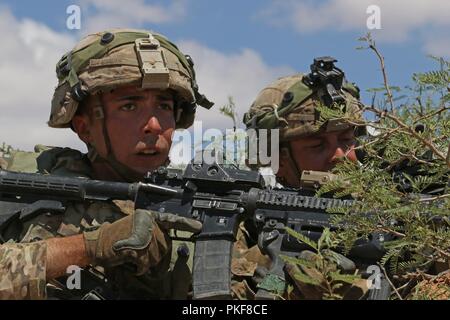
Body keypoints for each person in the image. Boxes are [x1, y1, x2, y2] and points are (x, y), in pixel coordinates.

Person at [0, 28, 212, 300]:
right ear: (84, 126)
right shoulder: (25, 184)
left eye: (164, 107)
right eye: (129, 106)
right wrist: (90, 247)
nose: (154, 125)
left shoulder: (204, 209)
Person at [230, 57, 368, 299]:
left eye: (347, 140)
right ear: (278, 158)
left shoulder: (385, 216)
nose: (340, 156)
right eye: (317, 145)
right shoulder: (242, 229)